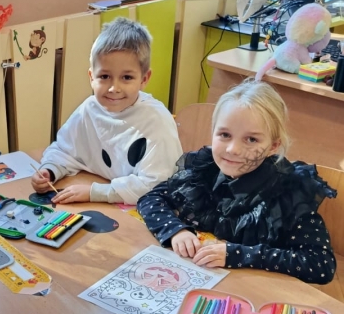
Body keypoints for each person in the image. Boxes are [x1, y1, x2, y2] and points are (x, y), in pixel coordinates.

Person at [136, 81, 337, 284]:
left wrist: (240, 254)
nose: (233, 149)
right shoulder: (204, 171)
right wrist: (175, 230)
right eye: (225, 135)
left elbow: (321, 264)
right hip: (203, 279)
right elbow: (151, 198)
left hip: (255, 289)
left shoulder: (287, 193)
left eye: (251, 140)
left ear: (273, 146)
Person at [31, 17, 182, 205]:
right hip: (104, 196)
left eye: (127, 77)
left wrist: (95, 192)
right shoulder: (89, 109)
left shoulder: (156, 121)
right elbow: (65, 150)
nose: (114, 88)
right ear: (91, 77)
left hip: (146, 208)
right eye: (104, 76)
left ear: (144, 78)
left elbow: (156, 184)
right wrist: (49, 170)